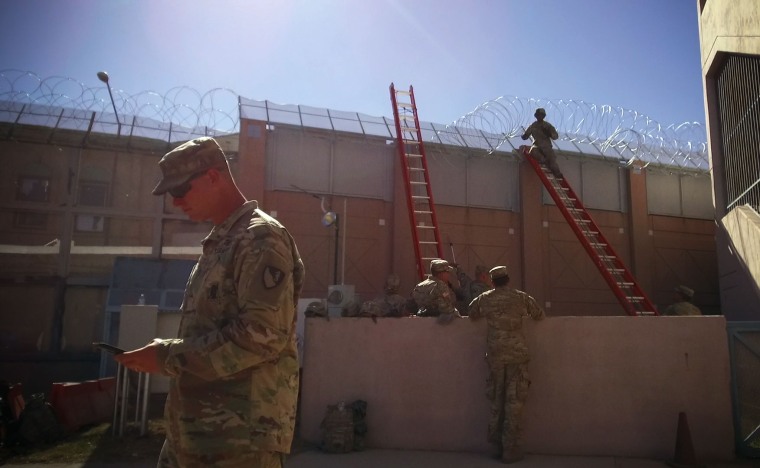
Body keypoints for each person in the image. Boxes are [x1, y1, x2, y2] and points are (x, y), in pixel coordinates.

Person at [114, 137, 305, 468]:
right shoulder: (223, 242)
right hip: (197, 433)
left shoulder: (260, 238)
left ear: (213, 176)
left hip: (237, 442)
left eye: (179, 191)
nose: (175, 203)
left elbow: (261, 336)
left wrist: (166, 357)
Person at [468, 266, 545, 464]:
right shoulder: (520, 297)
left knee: (496, 400)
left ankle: (496, 446)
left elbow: (471, 313)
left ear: (492, 281)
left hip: (495, 354)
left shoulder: (485, 298)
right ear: (508, 279)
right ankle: (510, 450)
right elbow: (538, 314)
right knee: (514, 402)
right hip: (517, 355)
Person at [412, 259, 462, 324]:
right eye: (447, 272)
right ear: (441, 273)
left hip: (421, 321)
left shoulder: (419, 285)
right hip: (439, 324)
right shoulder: (441, 286)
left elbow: (413, 304)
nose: (448, 275)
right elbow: (447, 308)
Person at [521, 107, 562, 177]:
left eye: (541, 115)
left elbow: (555, 137)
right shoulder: (533, 126)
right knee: (533, 152)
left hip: (546, 147)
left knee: (552, 161)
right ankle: (544, 161)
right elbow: (526, 135)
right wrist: (524, 136)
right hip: (537, 146)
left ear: (543, 116)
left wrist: (549, 133)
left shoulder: (548, 126)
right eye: (538, 115)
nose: (539, 116)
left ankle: (557, 174)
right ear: (536, 116)